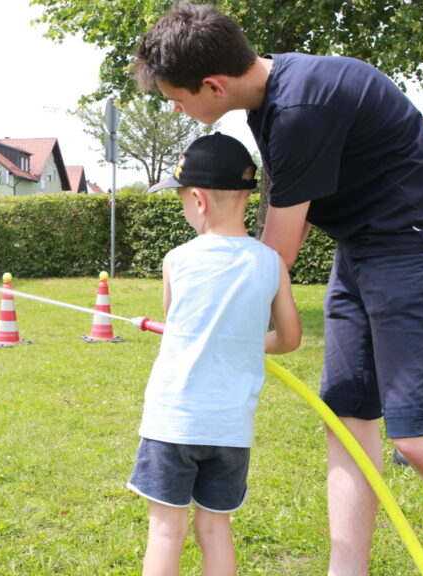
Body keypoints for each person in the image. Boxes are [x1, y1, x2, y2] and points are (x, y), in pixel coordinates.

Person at [134, 4, 423, 575]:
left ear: (213, 84)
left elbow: (276, 255)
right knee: (346, 418)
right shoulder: (277, 100)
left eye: (176, 96)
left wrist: (208, 314)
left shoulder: (298, 108)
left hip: (413, 248)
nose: (175, 107)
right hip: (362, 248)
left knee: (421, 434)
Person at [127, 132, 300, 576]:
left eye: (182, 198)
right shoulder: (271, 262)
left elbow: (175, 324)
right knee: (216, 529)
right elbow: (289, 338)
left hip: (174, 421)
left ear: (199, 200)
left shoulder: (177, 259)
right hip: (230, 428)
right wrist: (244, 344)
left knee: (166, 531)